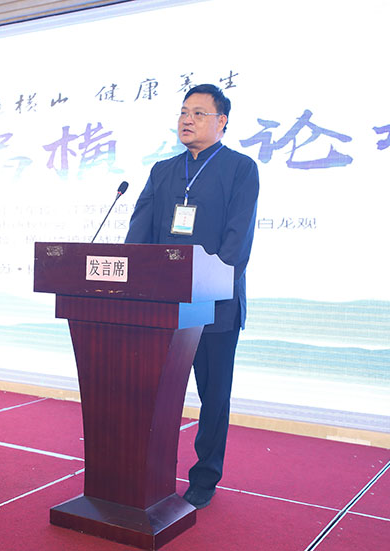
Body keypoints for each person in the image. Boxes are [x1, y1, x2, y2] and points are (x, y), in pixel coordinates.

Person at [125, 83, 259, 509]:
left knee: (213, 397)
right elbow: (139, 235)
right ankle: (149, 472)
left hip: (215, 308)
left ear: (222, 121)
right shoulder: (163, 171)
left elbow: (238, 241)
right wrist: (130, 281)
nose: (187, 120)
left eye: (199, 113)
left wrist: (209, 285)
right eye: (184, 112)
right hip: (162, 307)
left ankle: (204, 478)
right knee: (154, 396)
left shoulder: (241, 169)